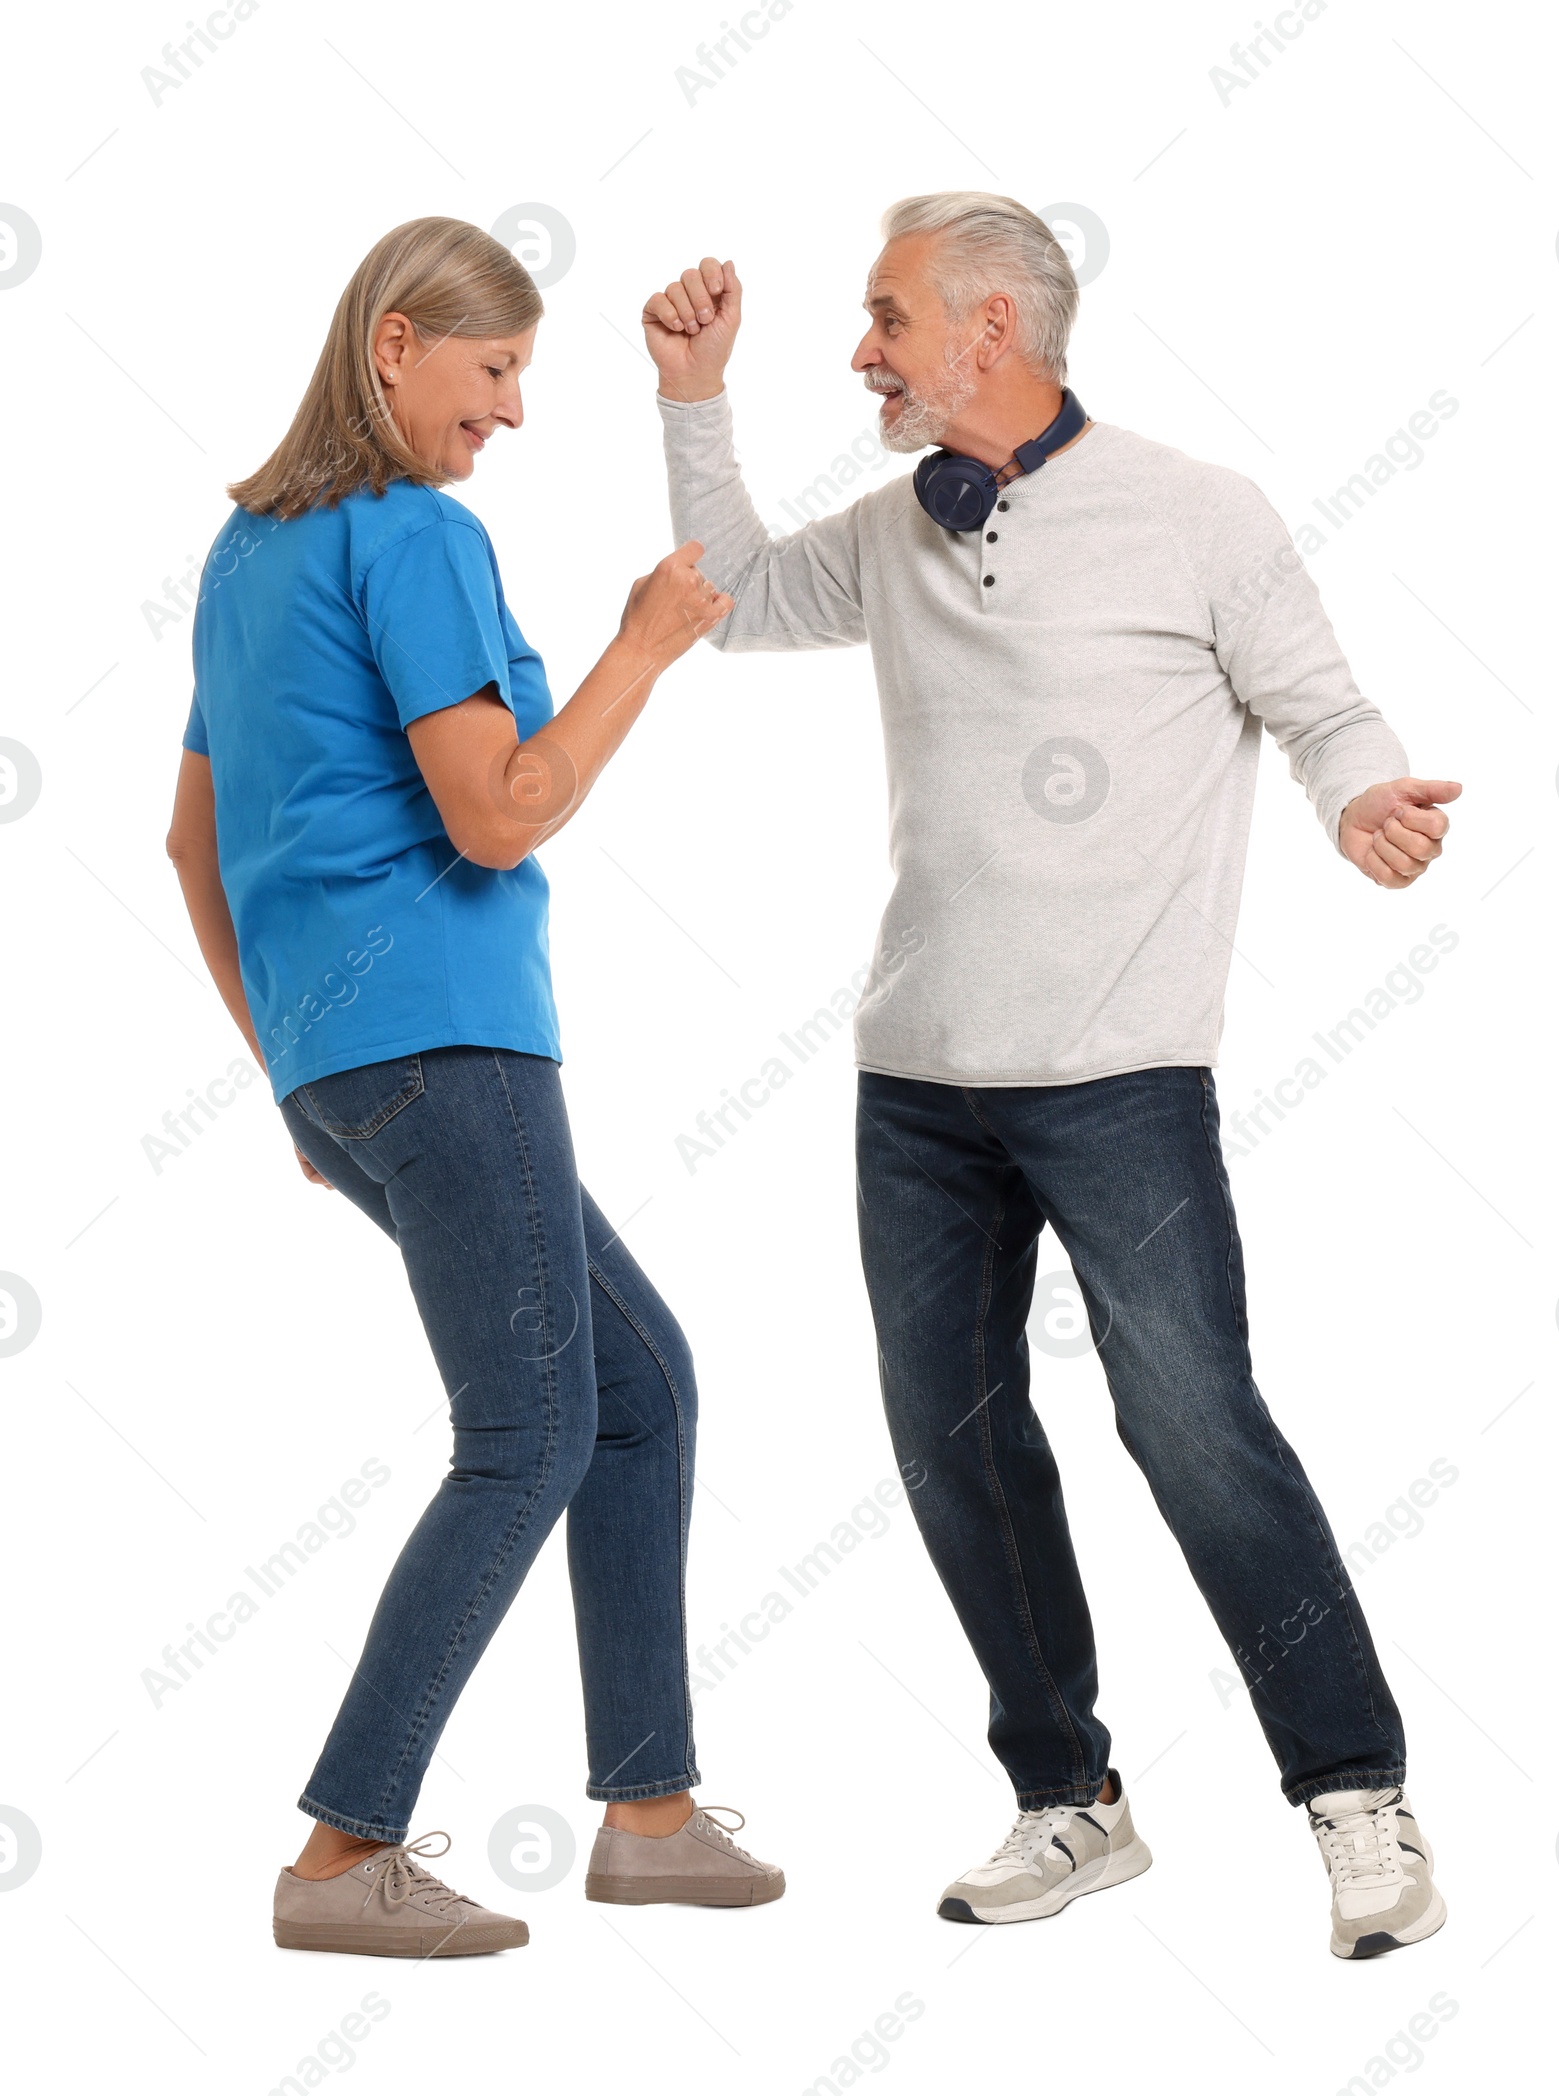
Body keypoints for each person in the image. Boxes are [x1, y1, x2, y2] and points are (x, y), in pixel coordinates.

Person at [642, 193, 1458, 1961]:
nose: (863, 347)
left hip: (1120, 1075)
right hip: (917, 1082)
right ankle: (1069, 1802)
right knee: (953, 1447)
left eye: (886, 316)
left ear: (988, 331)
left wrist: (1364, 798)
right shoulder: (891, 527)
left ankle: (1355, 1798)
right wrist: (694, 404)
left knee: (1196, 1431)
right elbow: (729, 602)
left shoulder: (1197, 513)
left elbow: (1321, 709)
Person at [166, 216, 783, 1959]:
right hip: (452, 1041)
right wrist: (646, 644)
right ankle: (341, 1852)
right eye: (492, 371)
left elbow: (191, 840)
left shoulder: (246, 552)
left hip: (352, 1069)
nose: (509, 413)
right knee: (528, 1435)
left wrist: (287, 1063)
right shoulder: (416, 535)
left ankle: (649, 1812)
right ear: (394, 351)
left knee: (640, 1382)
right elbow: (499, 809)